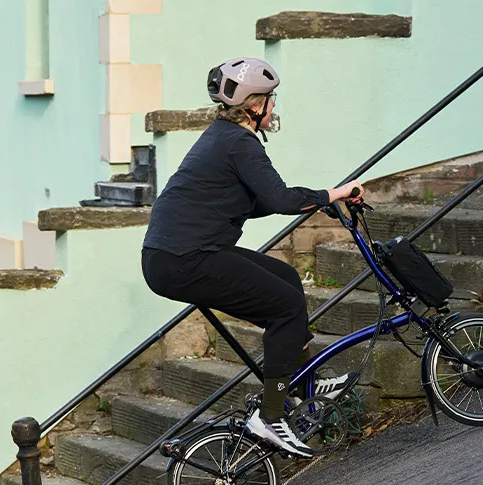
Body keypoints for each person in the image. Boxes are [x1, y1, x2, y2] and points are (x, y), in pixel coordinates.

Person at [141, 57, 364, 458]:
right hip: (185, 258)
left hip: (176, 255)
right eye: (270, 98)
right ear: (252, 105)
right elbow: (279, 200)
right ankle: (272, 413)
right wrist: (332, 194)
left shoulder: (222, 137)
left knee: (286, 279)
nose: (273, 106)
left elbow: (251, 202)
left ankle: (297, 379)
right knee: (287, 306)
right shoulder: (238, 142)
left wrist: (317, 199)